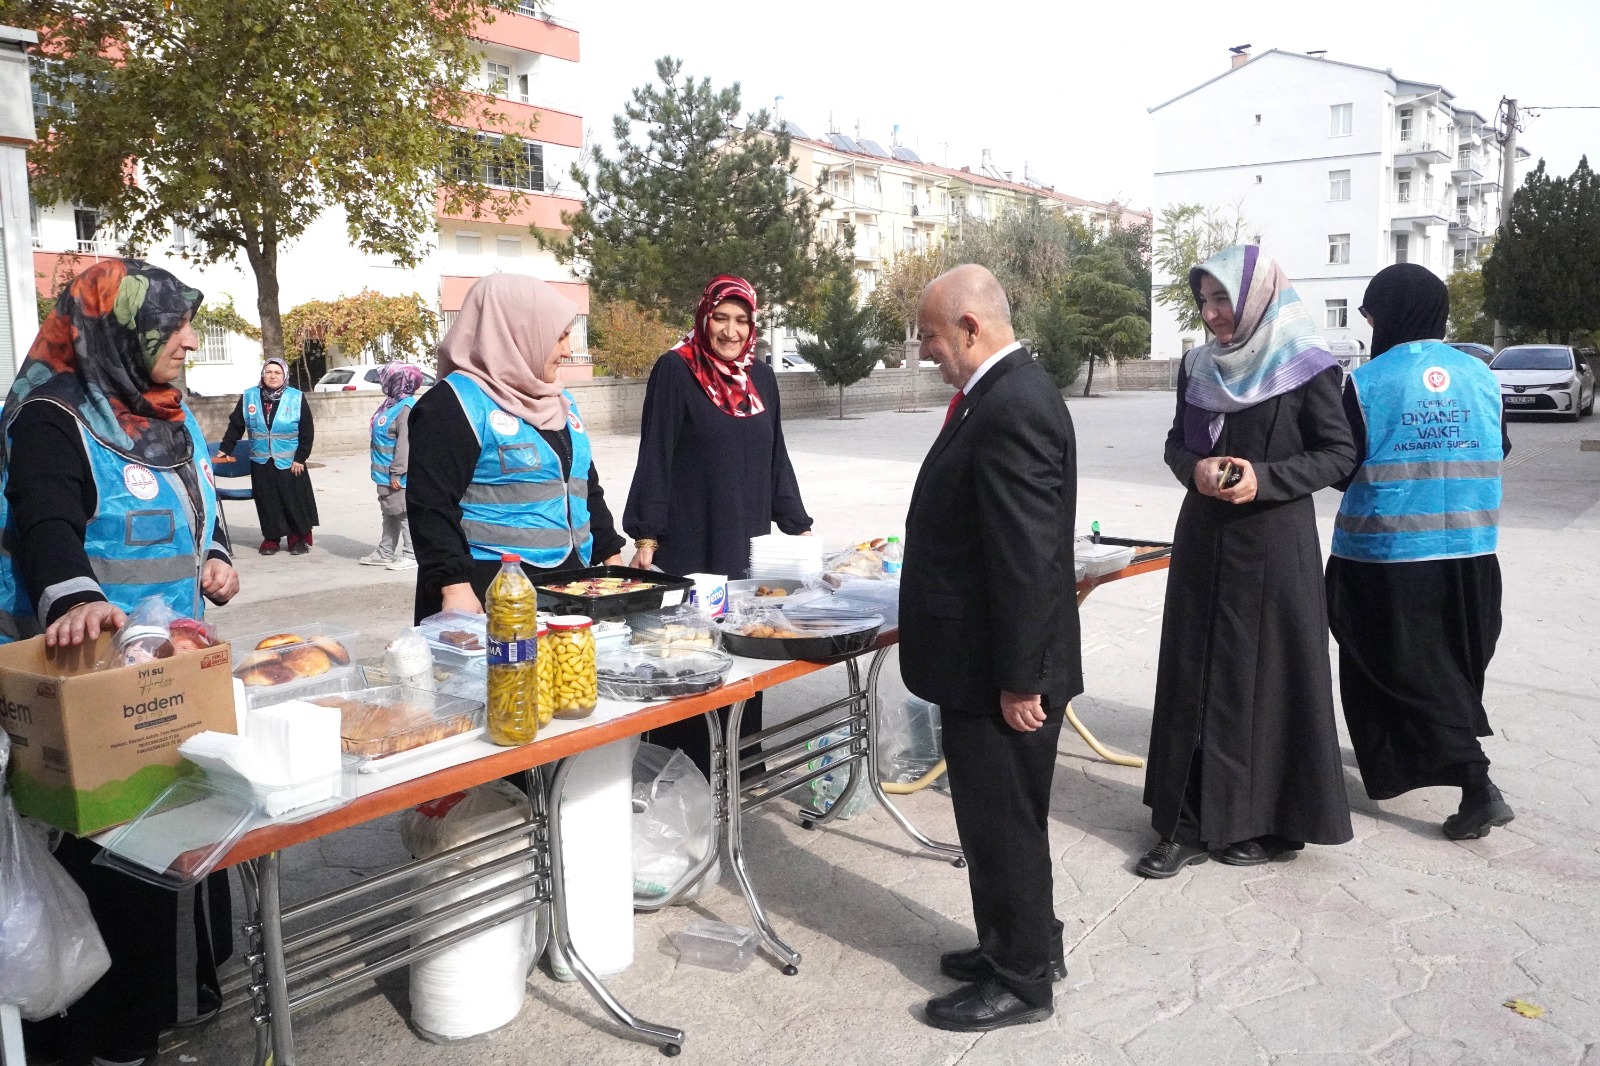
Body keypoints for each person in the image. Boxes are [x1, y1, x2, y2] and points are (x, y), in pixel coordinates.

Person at [0, 259, 238, 1066]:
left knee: (177, 835)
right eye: (174, 327)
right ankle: (104, 1038)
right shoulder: (51, 416)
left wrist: (216, 555)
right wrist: (72, 596)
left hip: (168, 671)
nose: (190, 342)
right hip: (84, 682)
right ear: (120, 331)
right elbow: (44, 519)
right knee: (107, 860)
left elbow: (200, 502)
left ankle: (169, 1004)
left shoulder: (169, 415)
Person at [899, 264, 1081, 1032]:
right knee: (1000, 820)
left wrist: (1019, 678)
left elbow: (1026, 557)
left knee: (1002, 823)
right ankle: (1024, 943)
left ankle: (1021, 981)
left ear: (970, 327)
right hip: (986, 660)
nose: (925, 352)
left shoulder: (1013, 406)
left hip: (1000, 672)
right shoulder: (998, 395)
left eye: (931, 337)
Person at [1139, 244, 1357, 879]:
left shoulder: (1307, 365)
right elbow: (1176, 443)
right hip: (1204, 541)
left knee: (1264, 680)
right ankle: (1183, 824)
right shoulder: (1197, 367)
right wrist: (1195, 468)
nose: (1212, 314)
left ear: (1258, 297)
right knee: (1196, 675)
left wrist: (1264, 478)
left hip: (1274, 545)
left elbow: (1339, 454)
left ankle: (1258, 822)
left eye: (1223, 299)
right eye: (1204, 300)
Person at [1327, 264, 1514, 839]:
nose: (1369, 325)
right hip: (1472, 552)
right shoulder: (1481, 375)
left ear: (1387, 314)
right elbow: (1501, 447)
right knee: (1453, 664)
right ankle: (1423, 755)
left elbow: (1339, 467)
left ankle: (1475, 782)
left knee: (1400, 669)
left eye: (1370, 314)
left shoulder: (1366, 383)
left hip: (1386, 557)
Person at [623, 275, 812, 773]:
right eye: (721, 318)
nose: (731, 331)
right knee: (689, 658)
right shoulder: (675, 370)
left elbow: (775, 455)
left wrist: (797, 524)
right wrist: (647, 533)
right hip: (691, 544)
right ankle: (680, 776)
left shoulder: (761, 377)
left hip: (745, 547)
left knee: (746, 654)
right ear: (704, 317)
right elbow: (656, 454)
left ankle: (741, 768)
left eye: (742, 320)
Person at [406, 274, 625, 621]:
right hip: (489, 590)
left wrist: (611, 554)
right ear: (517, 332)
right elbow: (430, 505)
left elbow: (584, 486)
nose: (567, 351)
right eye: (559, 337)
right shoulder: (453, 405)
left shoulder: (559, 401)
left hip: (569, 586)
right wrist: (453, 585)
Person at [218, 357, 319, 555]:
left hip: (291, 462)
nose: (272, 376)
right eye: (269, 372)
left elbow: (307, 431)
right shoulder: (249, 396)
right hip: (261, 460)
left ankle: (297, 539)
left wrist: (300, 457)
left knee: (294, 501)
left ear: (284, 375)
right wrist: (226, 448)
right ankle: (271, 539)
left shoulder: (296, 397)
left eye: (277, 373)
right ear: (263, 374)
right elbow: (236, 425)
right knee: (267, 501)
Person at [360, 362, 423, 571]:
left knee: (403, 513)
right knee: (389, 512)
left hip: (397, 476)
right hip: (384, 474)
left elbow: (405, 444)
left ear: (398, 381)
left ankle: (412, 554)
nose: (382, 383)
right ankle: (385, 552)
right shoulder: (391, 404)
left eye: (386, 379)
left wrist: (397, 473)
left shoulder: (406, 408)